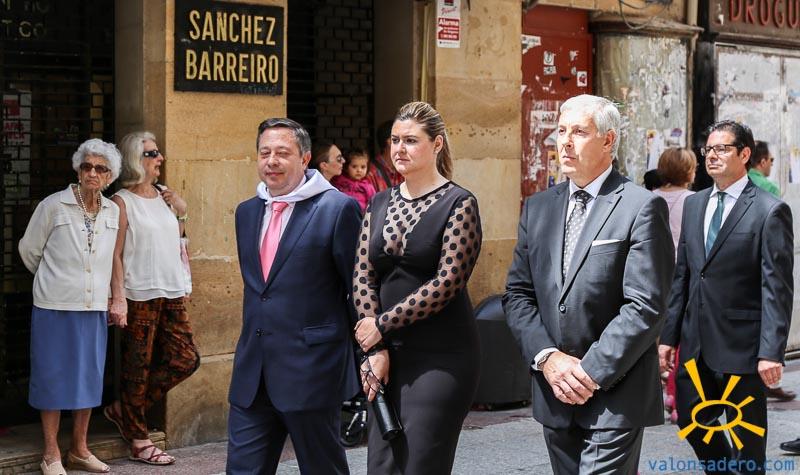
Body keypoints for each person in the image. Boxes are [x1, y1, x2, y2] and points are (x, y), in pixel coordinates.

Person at [504, 94, 675, 474]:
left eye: (579, 132)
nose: (565, 142)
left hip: (615, 393)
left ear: (608, 140)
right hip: (554, 390)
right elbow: (518, 294)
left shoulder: (640, 206)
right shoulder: (538, 207)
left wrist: (589, 372)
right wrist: (548, 359)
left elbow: (646, 305)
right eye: (561, 130)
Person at [353, 101, 482, 474]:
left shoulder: (459, 203)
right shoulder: (378, 203)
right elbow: (362, 274)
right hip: (386, 355)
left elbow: (447, 282)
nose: (399, 149)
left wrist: (381, 324)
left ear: (436, 144)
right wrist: (375, 347)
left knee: (420, 464)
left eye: (411, 140)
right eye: (395, 140)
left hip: (441, 356)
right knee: (382, 466)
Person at [226, 118, 361, 475]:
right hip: (253, 375)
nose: (271, 161)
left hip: (312, 372)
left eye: (282, 153)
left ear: (304, 159)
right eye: (264, 152)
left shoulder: (337, 209)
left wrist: (365, 355)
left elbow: (358, 289)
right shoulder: (246, 212)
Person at [659, 120, 793, 474]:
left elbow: (777, 288)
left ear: (745, 154)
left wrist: (771, 352)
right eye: (708, 149)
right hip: (696, 343)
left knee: (747, 439)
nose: (712, 156)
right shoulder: (694, 204)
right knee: (691, 419)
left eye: (722, 149)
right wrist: (669, 337)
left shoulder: (768, 210)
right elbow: (684, 275)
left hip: (742, 346)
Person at [18, 138, 122, 475]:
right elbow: (29, 251)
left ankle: (79, 449)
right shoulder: (53, 205)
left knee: (87, 379)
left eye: (100, 168)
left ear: (110, 176)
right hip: (54, 304)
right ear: (78, 170)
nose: (92, 173)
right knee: (52, 378)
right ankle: (50, 453)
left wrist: (115, 296)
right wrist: (56, 279)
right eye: (86, 166)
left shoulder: (113, 211)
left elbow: (114, 258)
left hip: (92, 307)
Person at [104, 131, 200, 466]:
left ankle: (125, 410)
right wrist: (118, 298)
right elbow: (115, 255)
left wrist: (182, 213)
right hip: (138, 292)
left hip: (171, 290)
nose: (160, 158)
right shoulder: (121, 202)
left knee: (186, 358)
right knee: (137, 368)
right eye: (152, 153)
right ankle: (139, 439)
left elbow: (176, 242)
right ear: (135, 159)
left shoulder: (164, 195)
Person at [652, 147, 697, 424]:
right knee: (679, 337)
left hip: (652, 276)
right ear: (688, 172)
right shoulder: (694, 201)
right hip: (682, 277)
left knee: (653, 336)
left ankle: (660, 391)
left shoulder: (650, 198)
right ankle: (676, 394)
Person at [331, 148, 377, 212]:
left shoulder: (368, 187)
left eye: (363, 167)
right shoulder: (339, 182)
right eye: (354, 166)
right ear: (346, 167)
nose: (359, 170)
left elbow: (374, 205)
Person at [366, 119, 403, 192]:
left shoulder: (403, 168)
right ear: (390, 141)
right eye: (403, 138)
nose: (407, 144)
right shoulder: (370, 171)